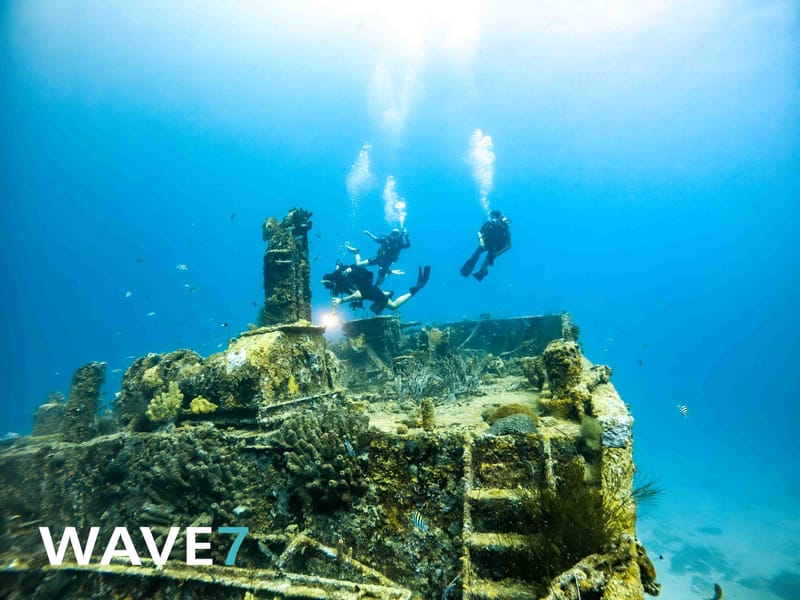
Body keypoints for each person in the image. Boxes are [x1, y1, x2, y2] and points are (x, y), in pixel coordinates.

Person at [322, 261, 430, 315]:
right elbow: (334, 301)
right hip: (366, 292)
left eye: (328, 285)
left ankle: (414, 290)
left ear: (331, 281)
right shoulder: (337, 284)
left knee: (393, 306)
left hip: (370, 291)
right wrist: (332, 313)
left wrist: (341, 300)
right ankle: (387, 293)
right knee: (378, 302)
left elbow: (358, 294)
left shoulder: (344, 280)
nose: (329, 288)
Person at [345, 227, 411, 285]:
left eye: (396, 234)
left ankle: (388, 273)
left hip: (386, 263)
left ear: (398, 235)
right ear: (391, 234)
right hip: (379, 258)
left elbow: (408, 245)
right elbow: (376, 239)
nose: (394, 235)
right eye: (393, 233)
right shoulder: (386, 240)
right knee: (359, 264)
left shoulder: (399, 244)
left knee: (379, 283)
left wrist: (406, 235)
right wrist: (368, 234)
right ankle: (356, 252)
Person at [460, 210, 511, 282]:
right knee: (475, 255)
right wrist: (481, 241)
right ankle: (468, 268)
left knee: (484, 265)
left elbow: (509, 245)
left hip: (496, 248)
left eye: (493, 218)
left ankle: (482, 273)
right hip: (485, 242)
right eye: (490, 217)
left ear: (499, 218)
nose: (491, 219)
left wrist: (497, 253)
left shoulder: (505, 228)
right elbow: (479, 232)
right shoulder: (488, 224)